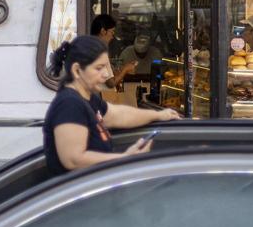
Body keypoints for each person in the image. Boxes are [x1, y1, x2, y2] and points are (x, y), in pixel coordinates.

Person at [43, 36, 181, 175]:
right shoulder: (69, 104)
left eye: (106, 67)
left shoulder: (88, 99)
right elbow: (74, 159)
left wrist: (159, 115)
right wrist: (125, 159)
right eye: (99, 68)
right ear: (77, 70)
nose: (106, 74)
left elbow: (118, 115)